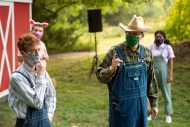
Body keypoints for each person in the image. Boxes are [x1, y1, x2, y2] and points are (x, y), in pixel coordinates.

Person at [96, 15, 159, 127]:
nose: (131, 36)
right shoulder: (115, 52)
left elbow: (151, 80)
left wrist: (154, 104)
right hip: (121, 109)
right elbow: (100, 76)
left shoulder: (147, 54)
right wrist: (111, 69)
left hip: (141, 108)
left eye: (135, 34)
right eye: (129, 33)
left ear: (142, 36)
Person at [8, 33, 56, 127]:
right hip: (26, 123)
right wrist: (40, 76)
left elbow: (51, 95)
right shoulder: (17, 78)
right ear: (23, 53)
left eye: (38, 49)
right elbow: (36, 104)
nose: (37, 54)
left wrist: (48, 117)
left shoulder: (41, 70)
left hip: (45, 121)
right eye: (32, 51)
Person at [148, 30, 175, 123]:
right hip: (153, 72)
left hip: (164, 72)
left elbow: (171, 61)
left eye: (160, 37)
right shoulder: (151, 47)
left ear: (164, 38)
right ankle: (153, 113)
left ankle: (168, 115)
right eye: (156, 37)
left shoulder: (167, 48)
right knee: (152, 93)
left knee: (166, 94)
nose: (158, 38)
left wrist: (170, 74)